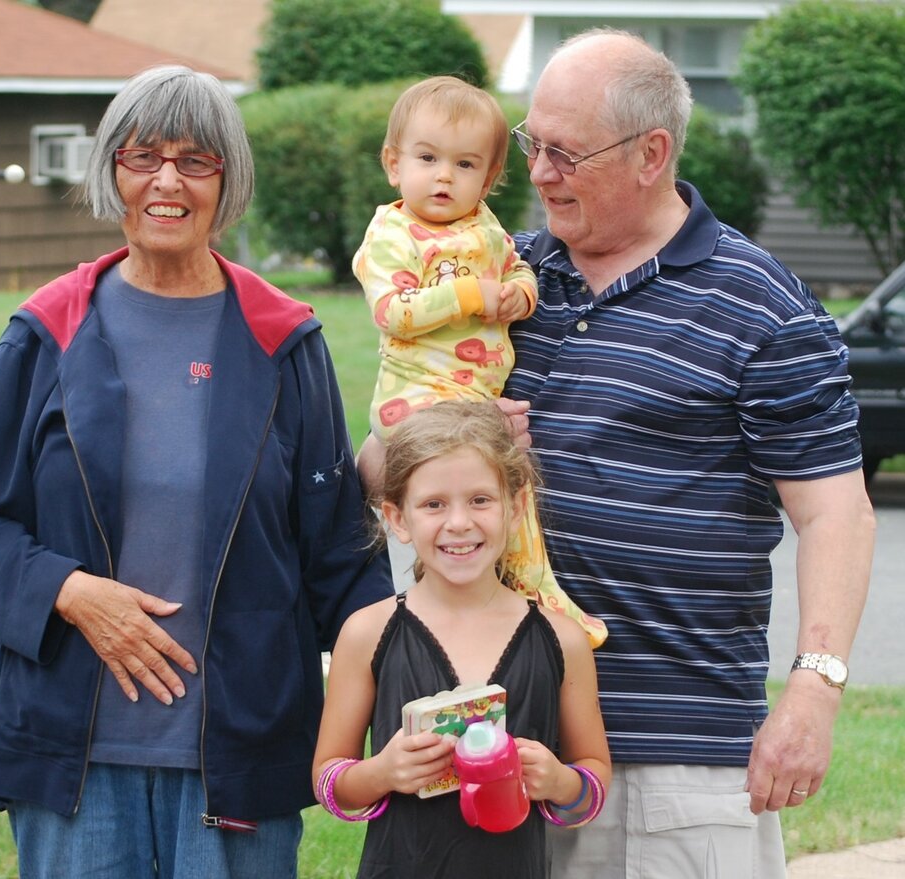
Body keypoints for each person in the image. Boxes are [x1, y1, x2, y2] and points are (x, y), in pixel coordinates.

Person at [0, 64, 392, 879]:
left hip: (239, 752)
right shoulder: (45, 331)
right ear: (113, 171)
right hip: (73, 754)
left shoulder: (285, 341)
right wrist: (70, 591)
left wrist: (418, 688)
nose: (167, 181)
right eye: (142, 157)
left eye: (196, 160)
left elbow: (340, 555)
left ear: (229, 179)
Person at [502, 29, 876, 878]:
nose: (539, 172)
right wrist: (448, 438)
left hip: (668, 763)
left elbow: (836, 512)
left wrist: (814, 691)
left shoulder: (762, 307)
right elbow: (384, 467)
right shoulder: (505, 279)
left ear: (652, 153)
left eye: (564, 152)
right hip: (500, 737)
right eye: (533, 143)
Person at [353, 76, 607, 648]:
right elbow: (393, 311)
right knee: (487, 494)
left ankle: (520, 599)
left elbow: (515, 266)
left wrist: (523, 291)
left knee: (506, 492)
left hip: (466, 399)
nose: (444, 175)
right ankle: (528, 592)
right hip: (416, 401)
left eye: (465, 165)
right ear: (394, 164)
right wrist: (471, 296)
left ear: (488, 180)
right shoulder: (394, 233)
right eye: (427, 158)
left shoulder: (484, 227)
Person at [312, 400, 612, 879]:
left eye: (479, 500)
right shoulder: (367, 633)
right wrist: (383, 772)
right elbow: (329, 781)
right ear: (397, 518)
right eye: (434, 504)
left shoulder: (562, 638)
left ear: (515, 508)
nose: (458, 523)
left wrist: (558, 781)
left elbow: (593, 776)